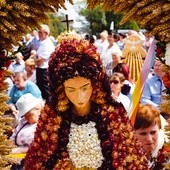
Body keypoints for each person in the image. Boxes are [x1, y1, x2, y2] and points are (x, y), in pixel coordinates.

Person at [24, 33, 148, 169]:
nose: (79, 96)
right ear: (61, 90)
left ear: (95, 84)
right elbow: (39, 158)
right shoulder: (52, 116)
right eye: (71, 89)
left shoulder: (113, 113)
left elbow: (130, 157)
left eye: (84, 87)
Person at [10, 93, 44, 170]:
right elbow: (13, 136)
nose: (26, 118)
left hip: (34, 160)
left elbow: (42, 147)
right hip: (16, 158)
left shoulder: (45, 123)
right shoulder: (23, 121)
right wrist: (11, 150)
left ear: (38, 109)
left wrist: (20, 151)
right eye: (24, 115)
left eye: (29, 115)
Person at [134, 104, 169, 169]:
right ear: (133, 133)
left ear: (159, 129)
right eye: (143, 133)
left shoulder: (167, 148)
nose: (149, 139)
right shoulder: (124, 153)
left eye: (153, 132)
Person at [34, 24, 55, 101]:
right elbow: (36, 58)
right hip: (40, 69)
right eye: (38, 32)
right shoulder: (42, 43)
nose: (38, 34)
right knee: (40, 91)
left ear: (46, 33)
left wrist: (36, 60)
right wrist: (36, 59)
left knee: (46, 91)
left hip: (44, 70)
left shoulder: (47, 44)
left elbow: (40, 61)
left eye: (40, 32)